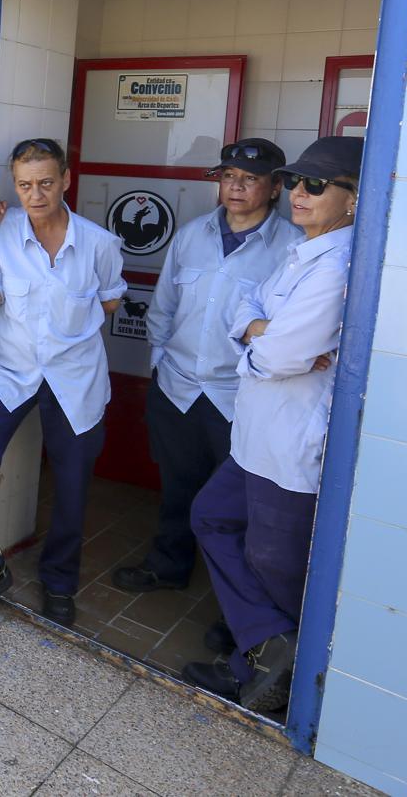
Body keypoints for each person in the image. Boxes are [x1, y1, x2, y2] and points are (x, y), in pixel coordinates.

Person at [182, 136, 363, 713]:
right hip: (253, 439)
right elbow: (248, 315)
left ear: (353, 200)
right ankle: (266, 650)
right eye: (296, 182)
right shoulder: (305, 250)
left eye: (316, 185)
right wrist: (262, 334)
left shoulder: (338, 264)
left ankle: (284, 682)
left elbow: (275, 356)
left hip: (290, 451)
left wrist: (263, 340)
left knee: (277, 567)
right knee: (210, 517)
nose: (299, 194)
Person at [0, 138, 126, 628]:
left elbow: (109, 304)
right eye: (25, 185)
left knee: (71, 484)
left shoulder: (99, 244)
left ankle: (60, 582)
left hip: (75, 377)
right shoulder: (4, 234)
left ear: (65, 179)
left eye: (45, 183)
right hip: (12, 370)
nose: (35, 194)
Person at [114, 139, 301, 600]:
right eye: (229, 177)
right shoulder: (193, 233)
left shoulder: (293, 248)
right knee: (177, 488)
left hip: (239, 398)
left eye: (250, 179)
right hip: (177, 388)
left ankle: (233, 609)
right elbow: (163, 307)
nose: (236, 187)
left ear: (275, 187)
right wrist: (158, 367)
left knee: (239, 510)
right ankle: (168, 566)